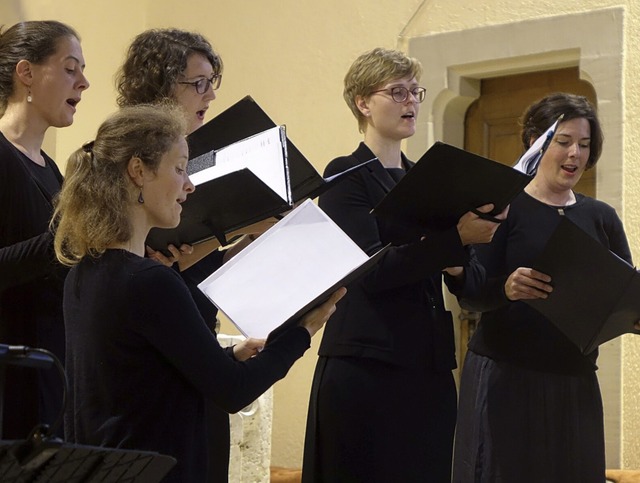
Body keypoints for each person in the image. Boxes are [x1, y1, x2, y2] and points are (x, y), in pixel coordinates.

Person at [53, 103, 346, 483]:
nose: (189, 185)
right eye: (179, 169)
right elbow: (234, 390)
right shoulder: (150, 281)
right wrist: (303, 331)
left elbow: (145, 376)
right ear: (139, 171)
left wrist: (229, 355)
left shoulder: (85, 273)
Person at [301, 47, 505, 483]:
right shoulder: (344, 177)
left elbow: (471, 284)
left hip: (426, 366)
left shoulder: (428, 178)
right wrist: (453, 241)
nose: (410, 101)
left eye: (415, 91)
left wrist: (459, 260)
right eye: (397, 92)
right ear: (363, 102)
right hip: (367, 365)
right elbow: (370, 272)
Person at [115, 28, 277, 481]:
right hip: (151, 355)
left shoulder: (202, 156)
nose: (209, 95)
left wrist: (254, 236)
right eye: (198, 83)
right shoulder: (125, 154)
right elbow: (145, 264)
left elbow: (194, 265)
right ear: (163, 83)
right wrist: (239, 226)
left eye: (212, 83)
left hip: (199, 336)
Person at [452, 93, 633, 482]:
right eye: (563, 141)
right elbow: (470, 293)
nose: (575, 155)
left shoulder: (601, 217)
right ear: (536, 142)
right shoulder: (503, 209)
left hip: (575, 380)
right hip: (507, 376)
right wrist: (508, 288)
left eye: (584, 145)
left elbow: (624, 293)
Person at [0, 20, 89, 438]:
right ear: (27, 73)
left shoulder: (53, 170)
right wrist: (72, 238)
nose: (84, 83)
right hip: (10, 378)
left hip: (51, 370)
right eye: (70, 68)